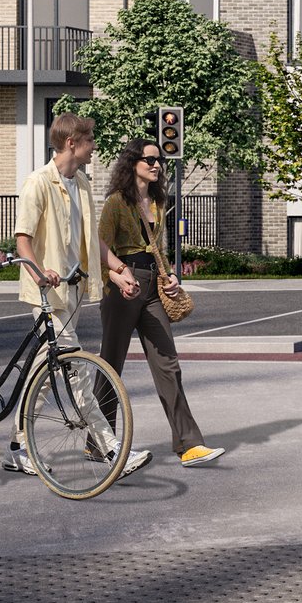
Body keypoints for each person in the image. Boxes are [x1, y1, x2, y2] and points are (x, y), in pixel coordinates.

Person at [9, 112, 149, 478]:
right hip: (46, 294)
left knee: (44, 371)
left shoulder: (82, 183)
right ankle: (110, 448)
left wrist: (118, 271)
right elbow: (22, 239)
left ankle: (18, 446)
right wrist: (40, 272)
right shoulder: (37, 183)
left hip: (71, 291)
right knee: (77, 371)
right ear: (72, 143)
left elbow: (94, 240)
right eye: (90, 140)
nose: (95, 147)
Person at [98, 138, 224, 467]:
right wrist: (114, 276)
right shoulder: (115, 203)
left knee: (168, 363)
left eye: (159, 160)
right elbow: (98, 247)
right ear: (132, 163)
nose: (157, 165)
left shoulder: (157, 200)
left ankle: (189, 444)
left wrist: (170, 276)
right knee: (110, 366)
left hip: (153, 285)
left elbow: (158, 249)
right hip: (123, 286)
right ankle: (98, 439)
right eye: (150, 159)